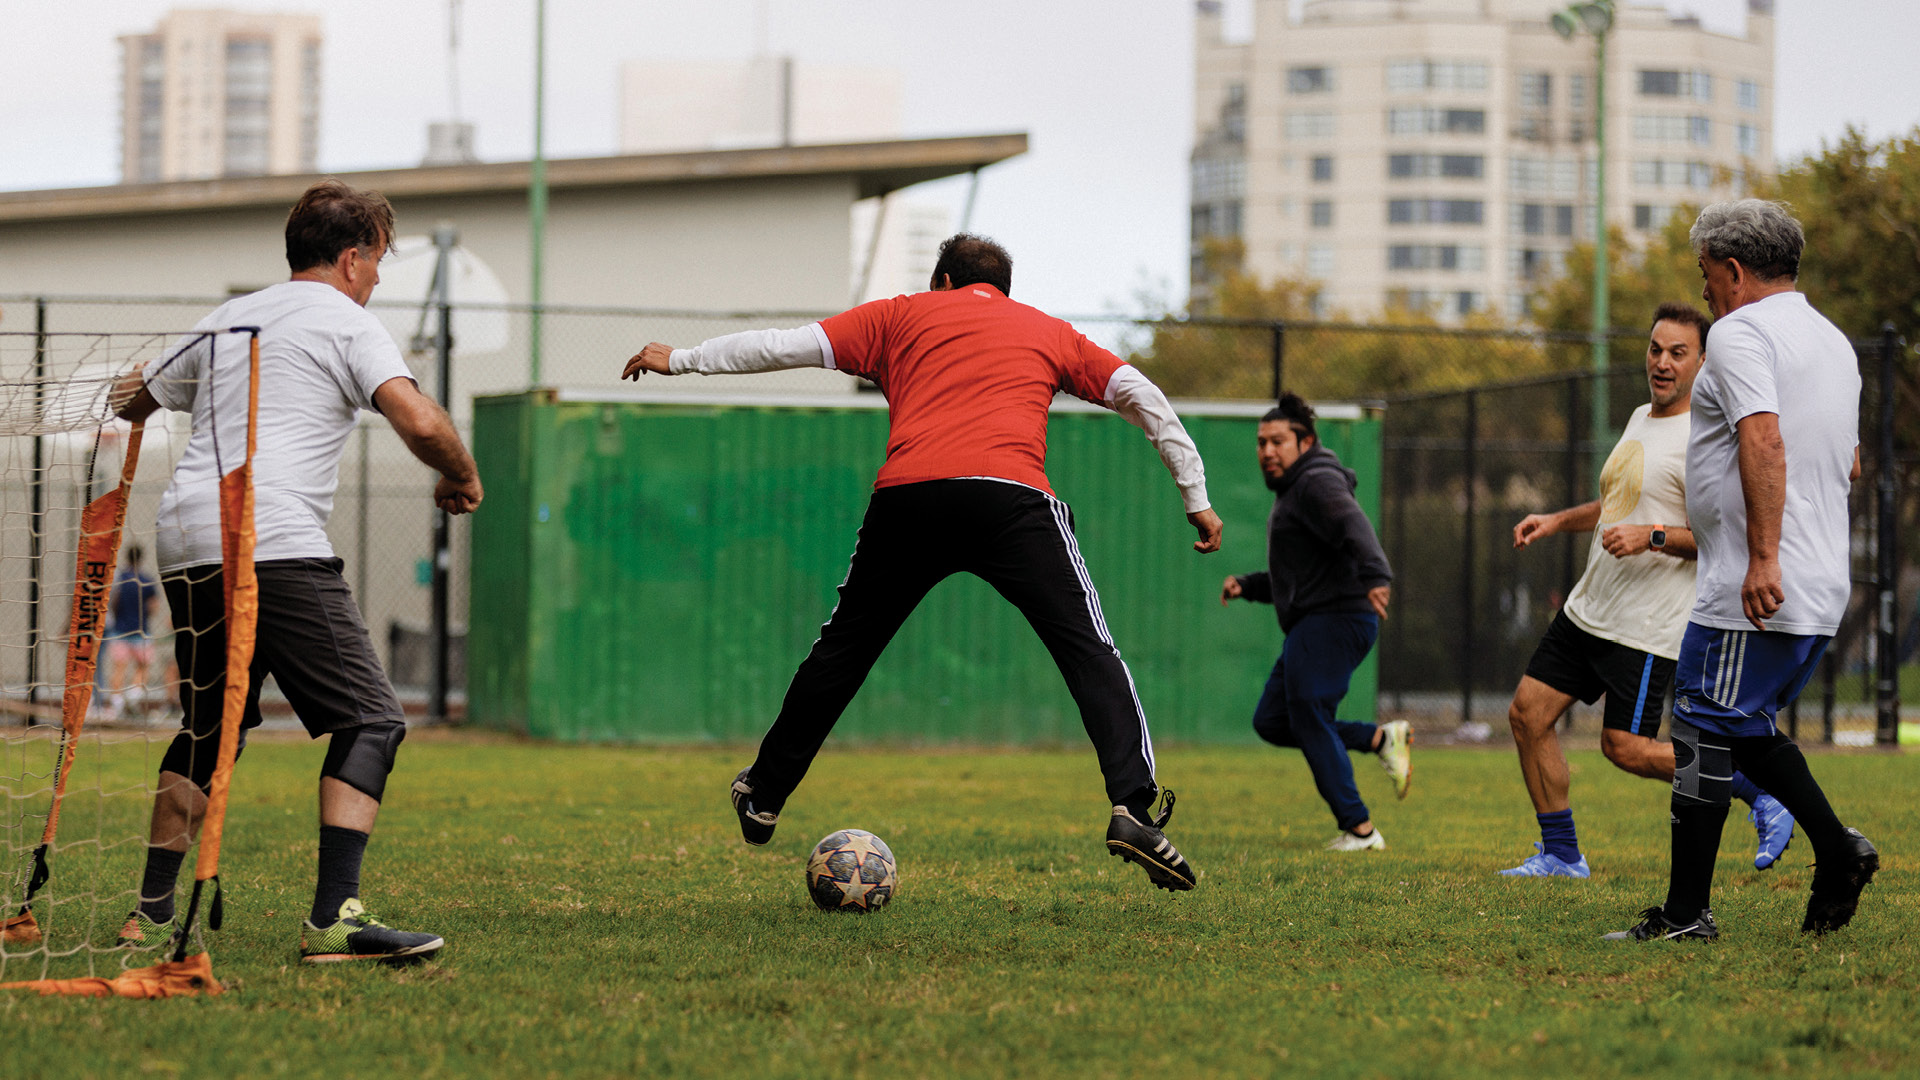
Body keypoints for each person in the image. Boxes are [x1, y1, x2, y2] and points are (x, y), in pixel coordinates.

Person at [622, 234, 1223, 891]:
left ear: (941, 280)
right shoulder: (1047, 332)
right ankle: (1131, 807)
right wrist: (1195, 495)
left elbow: (780, 345)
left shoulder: (898, 315)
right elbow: (1143, 396)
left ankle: (765, 792)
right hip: (1013, 501)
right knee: (1089, 649)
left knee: (842, 650)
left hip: (911, 500)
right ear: (1003, 288)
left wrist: (678, 359)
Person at [110, 180, 484, 962]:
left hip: (187, 539)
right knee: (372, 719)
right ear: (351, 259)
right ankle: (333, 921)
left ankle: (147, 915)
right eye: (377, 262)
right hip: (270, 538)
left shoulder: (226, 316)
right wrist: (461, 474)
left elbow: (135, 401)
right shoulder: (349, 321)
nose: (377, 278)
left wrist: (140, 384)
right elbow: (417, 418)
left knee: (212, 728)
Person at [1606, 199, 1877, 942]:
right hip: (1818, 580)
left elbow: (1763, 440)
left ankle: (1706, 905)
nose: (1703, 293)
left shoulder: (1741, 334)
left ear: (1731, 269)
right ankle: (1816, 857)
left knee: (1703, 725)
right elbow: (1847, 461)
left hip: (1754, 586)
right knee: (1726, 726)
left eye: (1704, 277)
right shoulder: (1832, 343)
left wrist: (1759, 556)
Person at [1501, 304, 1794, 878]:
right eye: (1655, 349)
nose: (1662, 362)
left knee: (1626, 749)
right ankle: (1561, 854)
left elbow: (1720, 539)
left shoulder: (1705, 441)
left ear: (1702, 362)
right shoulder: (1639, 416)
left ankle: (1756, 787)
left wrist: (1653, 537)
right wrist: (1557, 520)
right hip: (1590, 611)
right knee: (1526, 716)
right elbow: (1620, 504)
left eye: (1677, 353)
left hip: (1645, 629)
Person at [1218, 392, 1407, 852]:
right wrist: (1250, 585)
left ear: (1305, 442)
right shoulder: (1296, 490)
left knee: (1308, 716)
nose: (1266, 451)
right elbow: (1301, 575)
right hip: (1320, 618)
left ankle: (1360, 830)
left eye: (1277, 441)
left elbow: (1352, 525)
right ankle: (1380, 738)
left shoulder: (1316, 481)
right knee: (1274, 720)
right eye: (1261, 443)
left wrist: (1377, 575)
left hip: (1336, 617)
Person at [101, 543, 161, 718]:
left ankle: (116, 703)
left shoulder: (120, 579)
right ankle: (133, 695)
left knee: (119, 668)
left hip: (120, 630)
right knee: (143, 666)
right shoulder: (147, 580)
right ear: (142, 558)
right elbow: (154, 607)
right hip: (141, 631)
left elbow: (114, 602)